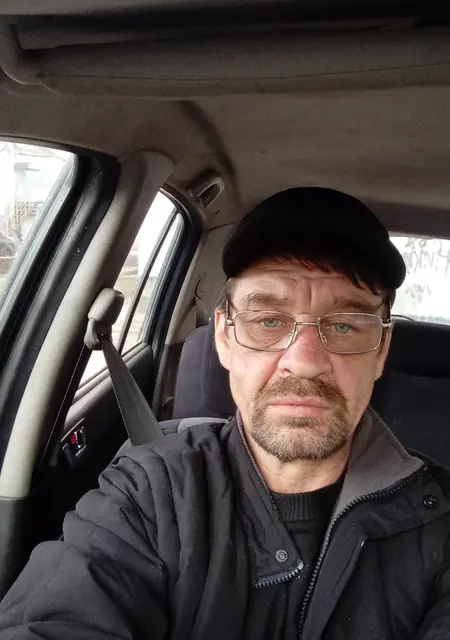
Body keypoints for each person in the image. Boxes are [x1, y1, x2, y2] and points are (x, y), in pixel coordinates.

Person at [1, 187, 450, 640]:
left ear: (381, 351)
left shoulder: (441, 521)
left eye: (345, 326)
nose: (304, 361)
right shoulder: (148, 492)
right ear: (223, 338)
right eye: (268, 321)